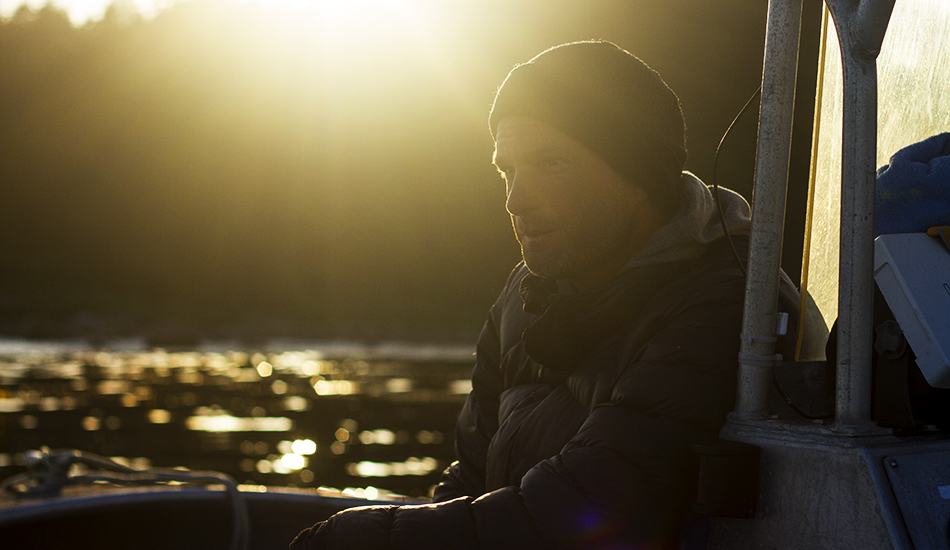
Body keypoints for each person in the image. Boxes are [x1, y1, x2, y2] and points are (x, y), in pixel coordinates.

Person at [292, 40, 775, 550]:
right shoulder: (522, 298)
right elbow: (470, 483)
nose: (515, 199)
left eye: (552, 164)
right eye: (507, 170)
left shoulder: (726, 304)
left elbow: (584, 511)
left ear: (639, 176)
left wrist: (352, 538)